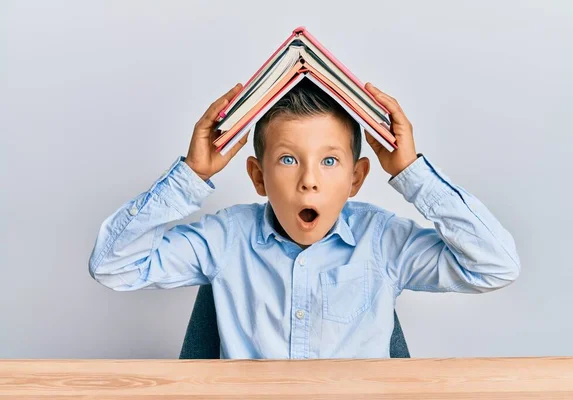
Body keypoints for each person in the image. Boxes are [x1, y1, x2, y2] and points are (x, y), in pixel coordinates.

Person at [88, 78, 521, 359]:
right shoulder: (227, 239)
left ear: (356, 178)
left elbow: (495, 265)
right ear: (258, 177)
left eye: (330, 161)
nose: (309, 181)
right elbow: (113, 265)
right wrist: (191, 175)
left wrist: (411, 175)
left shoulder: (383, 241)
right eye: (289, 159)